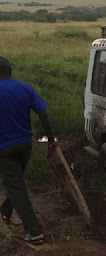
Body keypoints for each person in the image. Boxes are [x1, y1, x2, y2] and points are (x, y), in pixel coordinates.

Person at [0, 57, 56, 244]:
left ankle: (34, 231)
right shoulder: (25, 88)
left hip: (5, 148)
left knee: (15, 185)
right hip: (26, 145)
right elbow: (43, 113)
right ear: (10, 70)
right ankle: (6, 211)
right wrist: (50, 140)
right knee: (15, 182)